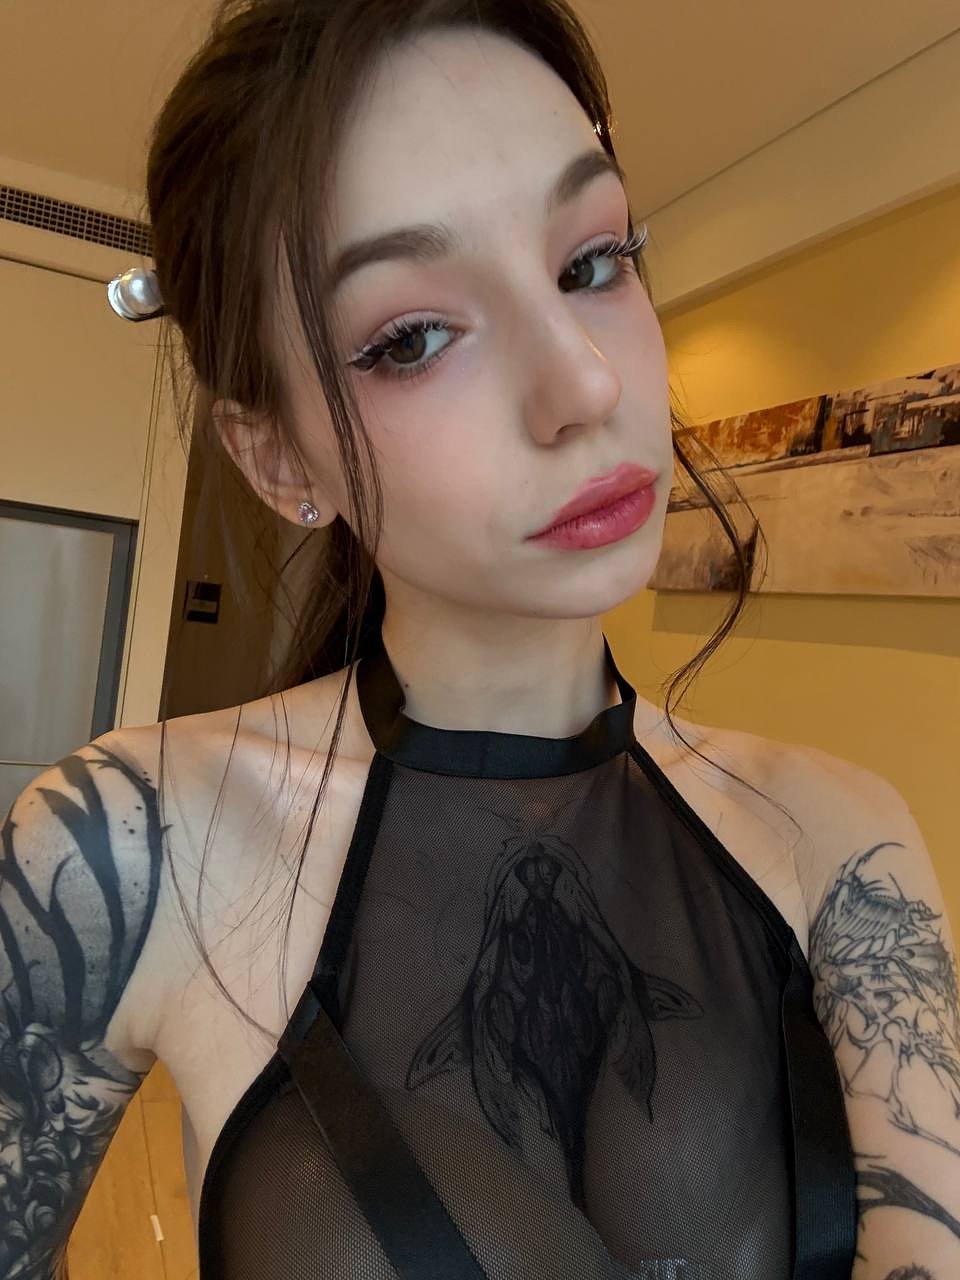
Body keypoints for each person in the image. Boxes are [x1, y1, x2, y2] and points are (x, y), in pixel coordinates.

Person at [4, 1, 959, 1277]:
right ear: (277, 455)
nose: (585, 385)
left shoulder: (840, 836)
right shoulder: (129, 845)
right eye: (413, 337)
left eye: (594, 261)